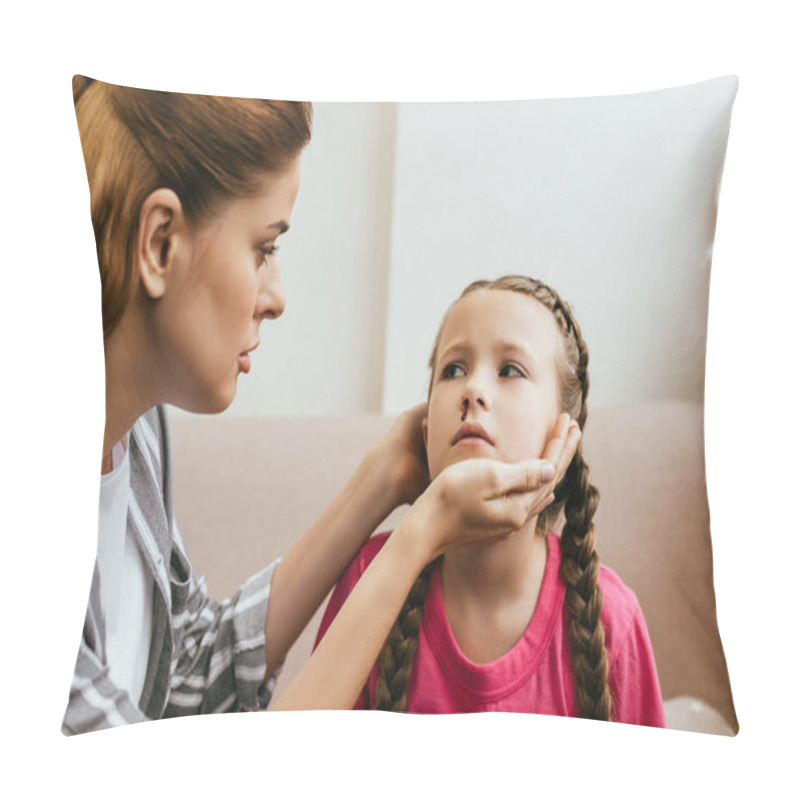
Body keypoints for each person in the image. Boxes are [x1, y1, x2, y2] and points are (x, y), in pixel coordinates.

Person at [63, 79, 581, 734]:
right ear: (160, 242)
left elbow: (189, 675)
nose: (276, 296)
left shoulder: (137, 439)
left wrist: (383, 480)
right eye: (265, 247)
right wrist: (418, 536)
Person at [314, 275, 666, 726]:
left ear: (563, 436)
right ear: (427, 433)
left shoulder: (612, 620)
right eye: (453, 369)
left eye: (510, 370)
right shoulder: (371, 578)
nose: (472, 390)